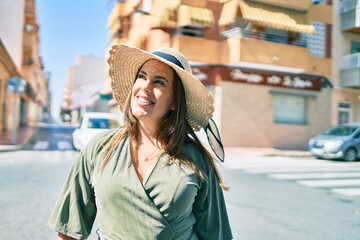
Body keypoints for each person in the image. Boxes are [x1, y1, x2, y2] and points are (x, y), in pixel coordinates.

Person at [48, 44, 233, 240]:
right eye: (142, 77)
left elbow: (216, 235)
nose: (145, 86)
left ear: (175, 103)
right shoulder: (100, 148)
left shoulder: (196, 159)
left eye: (159, 82)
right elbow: (68, 231)